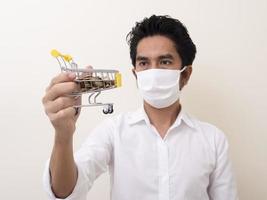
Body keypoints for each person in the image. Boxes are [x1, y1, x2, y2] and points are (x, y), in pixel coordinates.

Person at [42, 15, 238, 200]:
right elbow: (65, 192)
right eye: (144, 62)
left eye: (165, 61)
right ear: (136, 75)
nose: (153, 71)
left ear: (185, 75)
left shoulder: (213, 140)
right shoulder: (113, 132)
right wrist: (63, 134)